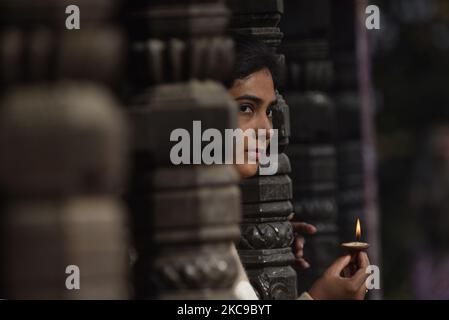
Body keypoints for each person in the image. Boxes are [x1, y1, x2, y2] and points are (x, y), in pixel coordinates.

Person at [227, 36, 370, 300]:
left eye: (268, 111)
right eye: (246, 108)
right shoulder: (173, 227)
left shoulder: (220, 226)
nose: (267, 130)